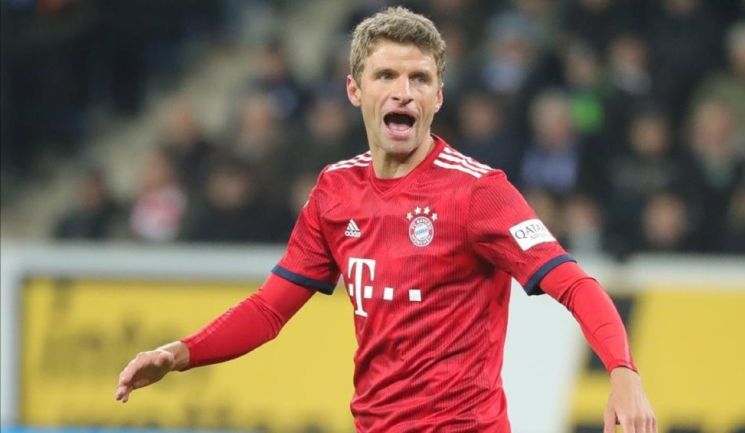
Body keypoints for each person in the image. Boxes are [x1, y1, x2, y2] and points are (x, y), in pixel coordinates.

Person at [116, 7, 656, 433]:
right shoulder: (335, 190)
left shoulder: (477, 192)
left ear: (438, 96)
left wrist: (623, 372)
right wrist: (178, 353)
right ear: (356, 90)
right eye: (387, 75)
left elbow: (575, 284)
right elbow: (268, 310)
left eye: (420, 79)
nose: (404, 91)